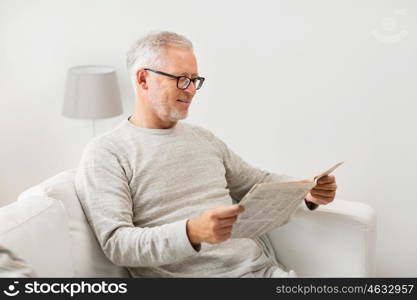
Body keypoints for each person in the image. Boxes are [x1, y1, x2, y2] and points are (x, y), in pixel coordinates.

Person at [75, 31, 337, 278]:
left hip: (263, 272)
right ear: (143, 79)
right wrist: (191, 233)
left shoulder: (203, 138)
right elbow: (117, 244)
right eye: (181, 79)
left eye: (194, 80)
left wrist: (307, 193)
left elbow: (257, 182)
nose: (190, 90)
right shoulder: (107, 152)